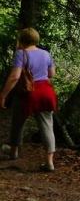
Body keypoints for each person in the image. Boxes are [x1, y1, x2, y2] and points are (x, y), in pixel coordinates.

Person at [0, 28, 58, 171]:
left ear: (22, 39)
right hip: (46, 91)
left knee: (17, 122)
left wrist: (3, 95)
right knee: (47, 126)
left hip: (28, 93)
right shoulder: (46, 53)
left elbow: (15, 77)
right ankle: (49, 162)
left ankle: (14, 153)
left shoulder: (21, 53)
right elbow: (52, 74)